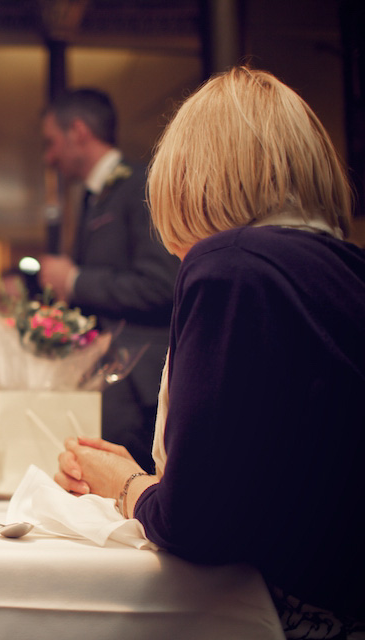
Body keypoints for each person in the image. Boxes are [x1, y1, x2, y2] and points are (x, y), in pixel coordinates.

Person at [55, 67, 365, 638]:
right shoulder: (345, 266)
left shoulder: (231, 265)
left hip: (297, 615)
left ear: (191, 175)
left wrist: (123, 482)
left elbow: (197, 525)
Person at [39, 88, 179, 472]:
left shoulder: (139, 186)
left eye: (52, 143)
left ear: (78, 132)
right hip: (109, 378)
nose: (49, 157)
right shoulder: (93, 197)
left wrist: (75, 281)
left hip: (137, 385)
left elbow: (161, 285)